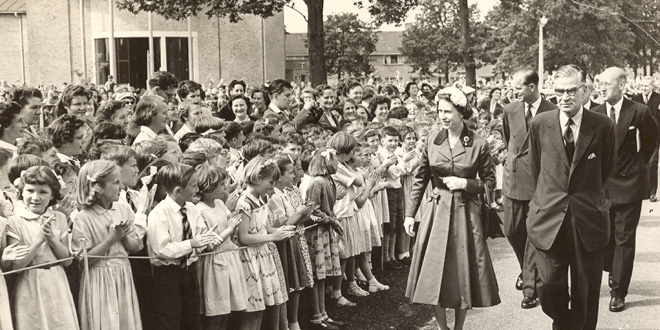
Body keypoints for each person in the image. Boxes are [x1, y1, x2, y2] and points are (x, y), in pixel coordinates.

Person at [527, 64, 616, 330]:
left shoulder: (602, 125)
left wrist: (592, 200)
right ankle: (565, 324)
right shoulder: (540, 123)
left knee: (585, 289)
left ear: (585, 91)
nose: (564, 97)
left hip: (587, 219)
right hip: (549, 219)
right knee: (548, 285)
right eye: (559, 92)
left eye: (571, 91)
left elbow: (607, 170)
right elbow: (536, 170)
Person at [404, 86, 500, 330]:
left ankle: (458, 327)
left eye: (448, 111)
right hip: (436, 212)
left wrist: (466, 183)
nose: (443, 116)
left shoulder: (478, 143)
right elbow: (420, 179)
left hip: (465, 213)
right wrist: (409, 214)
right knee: (433, 271)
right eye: (440, 111)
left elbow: (490, 183)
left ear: (461, 112)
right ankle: (441, 326)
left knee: (462, 271)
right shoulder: (431, 140)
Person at [594, 67, 658, 313]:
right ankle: (613, 268)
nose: (601, 88)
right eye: (599, 83)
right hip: (602, 186)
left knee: (624, 238)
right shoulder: (595, 112)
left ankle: (618, 291)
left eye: (606, 83)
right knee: (606, 238)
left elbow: (653, 137)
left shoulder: (638, 111)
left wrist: (641, 163)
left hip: (629, 183)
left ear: (621, 85)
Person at [502, 67, 557, 309]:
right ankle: (525, 269)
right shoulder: (510, 110)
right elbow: (508, 141)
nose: (514, 91)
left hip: (538, 182)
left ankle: (530, 287)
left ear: (532, 87)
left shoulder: (553, 111)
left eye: (518, 87)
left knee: (533, 234)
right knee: (513, 231)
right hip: (514, 180)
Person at [72, 160, 144, 330]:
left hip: (123, 274)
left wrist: (123, 236)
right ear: (98, 187)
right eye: (115, 182)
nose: (120, 186)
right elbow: (84, 260)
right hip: (99, 280)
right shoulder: (83, 218)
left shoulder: (123, 208)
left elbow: (135, 247)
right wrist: (111, 239)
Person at [6, 166, 79, 330]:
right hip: (30, 284)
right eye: (30, 191)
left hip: (57, 282)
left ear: (52, 194)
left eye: (43, 192)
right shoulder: (16, 221)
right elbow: (16, 267)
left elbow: (67, 261)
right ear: (21, 192)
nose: (35, 197)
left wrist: (52, 238)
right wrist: (38, 241)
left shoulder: (59, 217)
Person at [147, 163, 217, 330]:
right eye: (193, 186)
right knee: (170, 319)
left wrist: (206, 242)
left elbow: (200, 237)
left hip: (189, 271)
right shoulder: (159, 213)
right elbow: (161, 249)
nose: (197, 189)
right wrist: (192, 243)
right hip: (168, 275)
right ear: (178, 190)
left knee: (192, 318)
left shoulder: (191, 209)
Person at [235, 157, 298, 330]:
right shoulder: (244, 203)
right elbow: (244, 237)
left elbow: (263, 226)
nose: (272, 186)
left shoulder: (262, 198)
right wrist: (273, 237)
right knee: (252, 309)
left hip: (262, 255)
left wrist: (278, 231)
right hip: (250, 258)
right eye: (270, 182)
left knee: (261, 307)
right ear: (257, 178)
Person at [195, 164, 249, 330]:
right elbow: (208, 245)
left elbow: (228, 221)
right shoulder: (199, 210)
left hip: (228, 258)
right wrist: (229, 228)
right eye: (221, 185)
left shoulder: (219, 203)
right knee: (215, 311)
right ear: (208, 187)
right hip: (214, 264)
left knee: (226, 309)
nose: (225, 187)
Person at [631, 76, 660, 202]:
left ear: (652, 87)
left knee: (652, 162)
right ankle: (644, 191)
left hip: (655, 135)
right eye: (642, 86)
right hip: (639, 135)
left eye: (646, 86)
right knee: (641, 162)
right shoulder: (635, 99)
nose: (643, 88)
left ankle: (652, 192)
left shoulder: (658, 98)